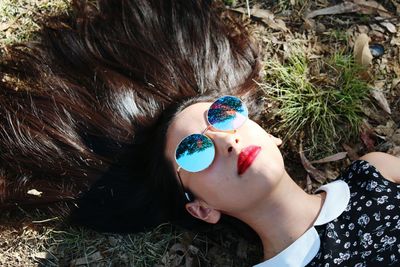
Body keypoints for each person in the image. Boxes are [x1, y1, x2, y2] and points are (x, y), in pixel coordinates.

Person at [0, 0, 399, 266]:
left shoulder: (375, 173)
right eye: (194, 151)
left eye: (224, 116)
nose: (225, 141)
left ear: (269, 134)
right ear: (201, 208)